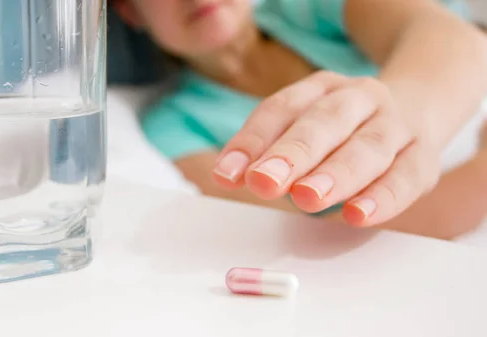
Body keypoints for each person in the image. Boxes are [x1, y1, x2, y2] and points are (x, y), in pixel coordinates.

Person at [113, 0, 487, 240]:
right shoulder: (177, 124)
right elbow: (307, 236)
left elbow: (456, 40)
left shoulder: (310, 8)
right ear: (131, 12)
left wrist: (404, 111)